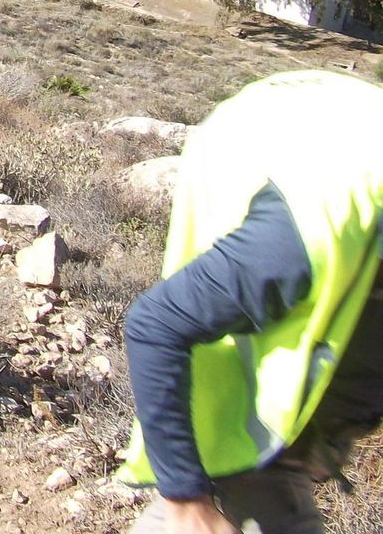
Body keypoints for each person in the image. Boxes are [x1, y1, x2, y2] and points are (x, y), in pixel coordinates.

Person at [119, 70, 383, 534]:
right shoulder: (306, 240)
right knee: (237, 482)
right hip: (253, 139)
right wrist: (186, 501)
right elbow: (155, 323)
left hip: (337, 124)